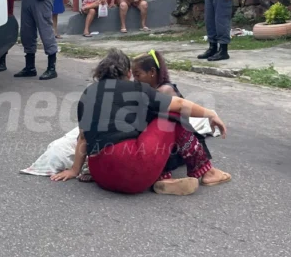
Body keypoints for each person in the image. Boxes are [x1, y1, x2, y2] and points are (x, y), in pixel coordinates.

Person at [51, 49, 231, 196]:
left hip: (100, 174)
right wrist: (210, 114)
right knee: (170, 117)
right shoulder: (138, 89)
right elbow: (180, 104)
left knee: (144, 123)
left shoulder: (87, 94)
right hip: (132, 173)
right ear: (128, 73)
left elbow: (83, 138)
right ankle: (207, 171)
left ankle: (164, 176)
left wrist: (74, 170)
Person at [131, 49, 215, 175]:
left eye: (138, 75)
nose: (135, 80)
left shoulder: (165, 90)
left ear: (152, 72)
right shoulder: (149, 90)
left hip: (178, 149)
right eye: (133, 75)